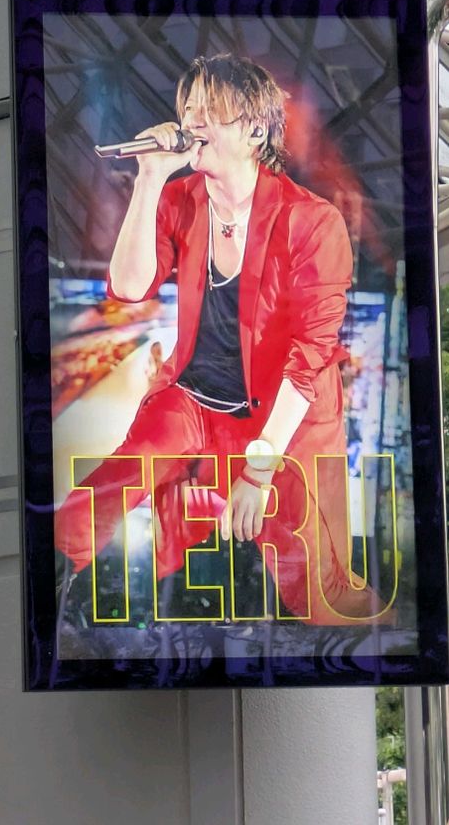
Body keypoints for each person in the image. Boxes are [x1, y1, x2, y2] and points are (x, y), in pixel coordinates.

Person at [55, 53, 390, 625]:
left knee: (318, 591)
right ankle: (51, 588)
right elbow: (130, 287)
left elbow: (309, 359)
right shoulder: (180, 199)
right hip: (192, 400)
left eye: (211, 110)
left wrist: (257, 472)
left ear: (256, 131)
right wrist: (151, 179)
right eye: (188, 108)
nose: (193, 120)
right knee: (110, 484)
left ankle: (384, 639)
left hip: (283, 420)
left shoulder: (311, 222)